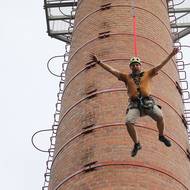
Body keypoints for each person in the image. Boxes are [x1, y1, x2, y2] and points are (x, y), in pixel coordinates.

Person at [90, 47, 179, 157]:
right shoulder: (126, 77)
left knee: (160, 116)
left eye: (137, 64)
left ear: (140, 66)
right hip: (135, 105)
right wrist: (99, 62)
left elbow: (161, 65)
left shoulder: (148, 73)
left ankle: (161, 136)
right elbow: (112, 71)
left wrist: (171, 55)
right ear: (130, 67)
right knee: (128, 122)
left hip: (148, 102)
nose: (135, 66)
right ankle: (137, 144)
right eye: (133, 65)